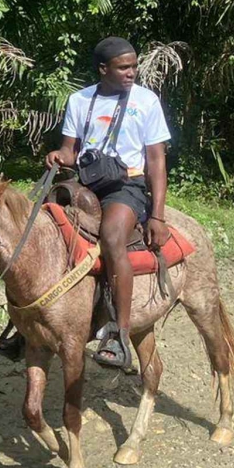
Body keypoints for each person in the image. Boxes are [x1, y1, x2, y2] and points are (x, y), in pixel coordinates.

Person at [43, 37, 171, 371]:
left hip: (127, 185)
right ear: (103, 69)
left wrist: (157, 216)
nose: (132, 72)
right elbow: (70, 150)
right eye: (123, 67)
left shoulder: (146, 101)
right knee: (41, 222)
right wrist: (59, 155)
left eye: (134, 66)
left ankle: (118, 333)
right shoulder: (80, 100)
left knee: (112, 237)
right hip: (87, 182)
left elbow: (156, 160)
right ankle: (26, 321)